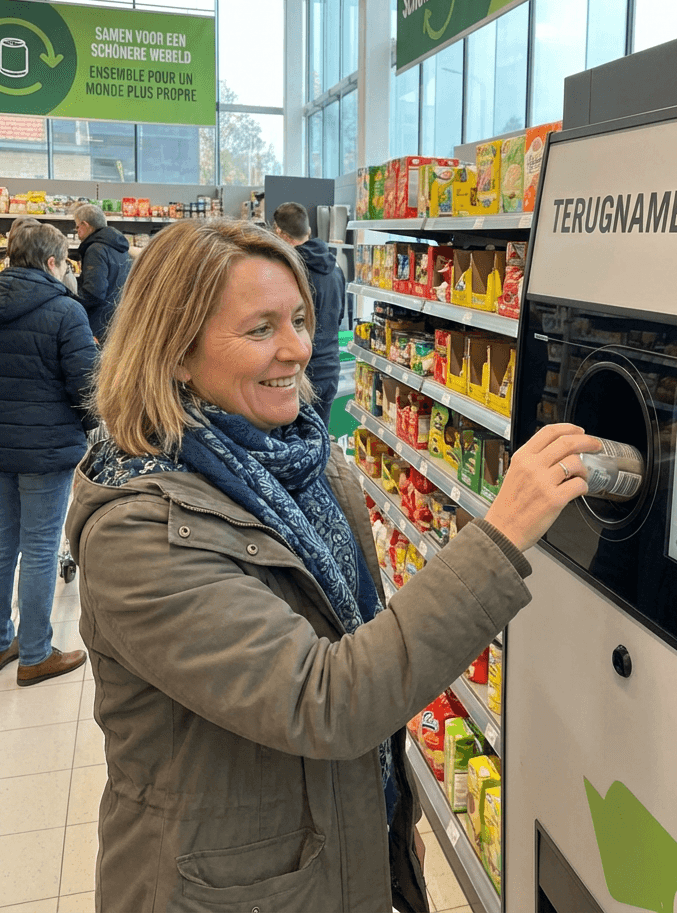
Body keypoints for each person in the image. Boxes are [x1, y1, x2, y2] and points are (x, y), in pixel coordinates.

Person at [65, 217, 600, 913]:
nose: (297, 349)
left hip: (335, 849)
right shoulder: (139, 531)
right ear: (174, 353)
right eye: (260, 330)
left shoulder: (304, 460)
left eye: (298, 318)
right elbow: (326, 699)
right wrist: (497, 536)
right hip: (226, 890)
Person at [0, 222, 96, 685]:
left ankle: (2, 641)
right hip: (46, 448)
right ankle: (36, 653)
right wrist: (93, 427)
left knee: (2, 546)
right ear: (54, 263)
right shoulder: (64, 311)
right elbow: (85, 387)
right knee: (39, 547)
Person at [272, 201, 346, 429]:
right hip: (330, 367)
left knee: (291, 445)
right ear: (309, 231)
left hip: (298, 372)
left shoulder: (289, 272)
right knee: (319, 439)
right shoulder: (336, 269)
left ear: (279, 233)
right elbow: (340, 316)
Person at [72, 202, 131, 341]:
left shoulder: (96, 249)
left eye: (77, 226)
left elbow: (94, 293)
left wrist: (71, 300)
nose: (77, 230)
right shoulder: (118, 246)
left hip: (98, 324)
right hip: (116, 319)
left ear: (85, 225)